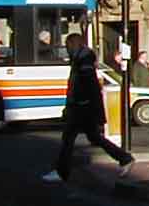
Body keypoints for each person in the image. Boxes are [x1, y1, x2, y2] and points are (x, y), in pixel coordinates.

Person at [42, 33, 134, 183]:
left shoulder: (83, 62)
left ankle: (61, 172)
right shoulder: (82, 59)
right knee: (93, 137)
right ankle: (125, 158)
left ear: (73, 44)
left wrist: (76, 105)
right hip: (83, 107)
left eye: (68, 45)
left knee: (68, 138)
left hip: (82, 108)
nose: (66, 48)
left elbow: (89, 87)